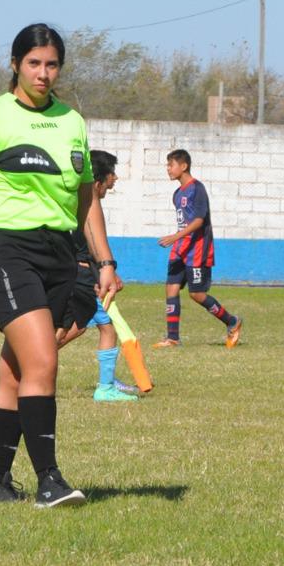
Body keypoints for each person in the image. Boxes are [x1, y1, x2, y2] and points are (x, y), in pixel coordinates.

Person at [0, 23, 122, 508]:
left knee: (16, 371)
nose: (43, 73)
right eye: (34, 63)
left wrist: (104, 261)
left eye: (52, 64)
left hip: (59, 257)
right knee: (43, 359)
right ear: (15, 64)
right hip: (6, 254)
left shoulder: (72, 121)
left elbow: (86, 200)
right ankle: (49, 480)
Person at [55, 150, 140, 402]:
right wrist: (104, 273)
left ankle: (107, 381)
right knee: (104, 329)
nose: (115, 179)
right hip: (84, 276)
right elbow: (88, 248)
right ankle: (104, 388)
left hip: (83, 273)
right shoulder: (87, 205)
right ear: (98, 179)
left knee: (79, 328)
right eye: (111, 174)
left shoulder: (77, 202)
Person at [154, 149, 243, 349]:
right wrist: (177, 240)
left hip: (197, 250)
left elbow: (199, 221)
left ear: (183, 166)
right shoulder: (177, 194)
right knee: (171, 288)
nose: (168, 169)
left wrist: (175, 236)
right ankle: (172, 338)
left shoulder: (197, 189)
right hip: (179, 249)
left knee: (197, 294)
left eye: (171, 165)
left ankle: (232, 321)